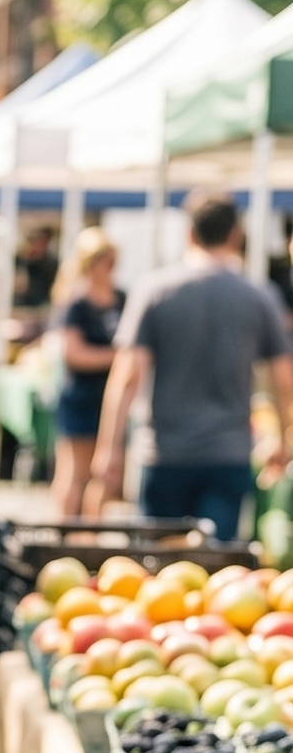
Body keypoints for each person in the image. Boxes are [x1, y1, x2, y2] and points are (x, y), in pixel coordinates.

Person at [96, 192, 293, 537]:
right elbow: (284, 379)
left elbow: (127, 377)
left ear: (189, 233)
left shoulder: (154, 290)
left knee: (157, 572)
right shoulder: (259, 296)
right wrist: (285, 439)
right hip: (228, 453)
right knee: (216, 572)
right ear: (235, 235)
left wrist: (109, 449)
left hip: (164, 452)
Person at [50, 229, 125, 519]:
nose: (112, 268)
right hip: (81, 396)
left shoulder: (121, 298)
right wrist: (116, 358)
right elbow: (74, 354)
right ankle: (66, 529)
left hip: (110, 397)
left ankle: (92, 533)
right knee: (76, 471)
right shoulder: (76, 304)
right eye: (107, 261)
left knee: (105, 471)